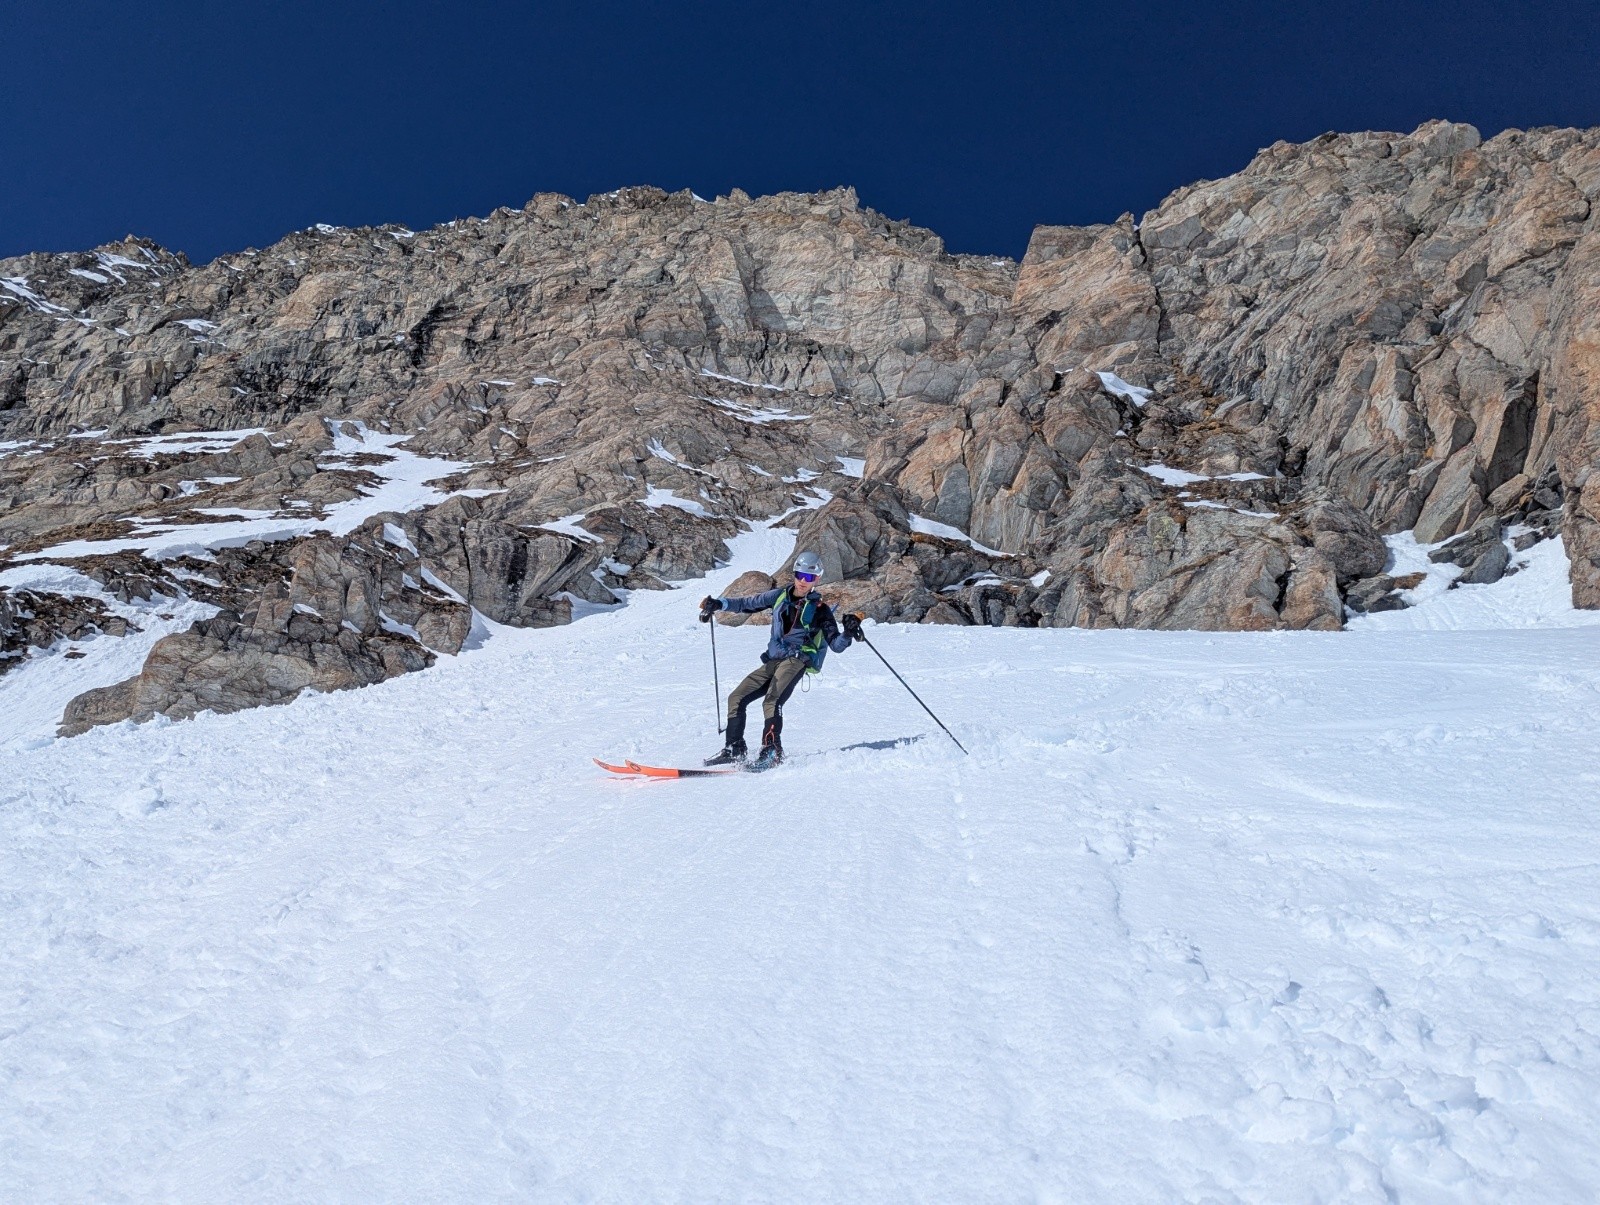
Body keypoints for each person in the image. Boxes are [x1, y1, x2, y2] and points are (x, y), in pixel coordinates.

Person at [699, 550, 864, 770]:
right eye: (800, 575)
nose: (803, 581)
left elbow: (836, 645)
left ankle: (772, 752)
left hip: (796, 659)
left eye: (809, 577)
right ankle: (734, 748)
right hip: (773, 659)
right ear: (794, 574)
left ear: (817, 579)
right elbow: (749, 603)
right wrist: (719, 604)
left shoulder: (821, 610)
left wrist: (848, 633)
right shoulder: (779, 595)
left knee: (771, 701)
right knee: (736, 697)